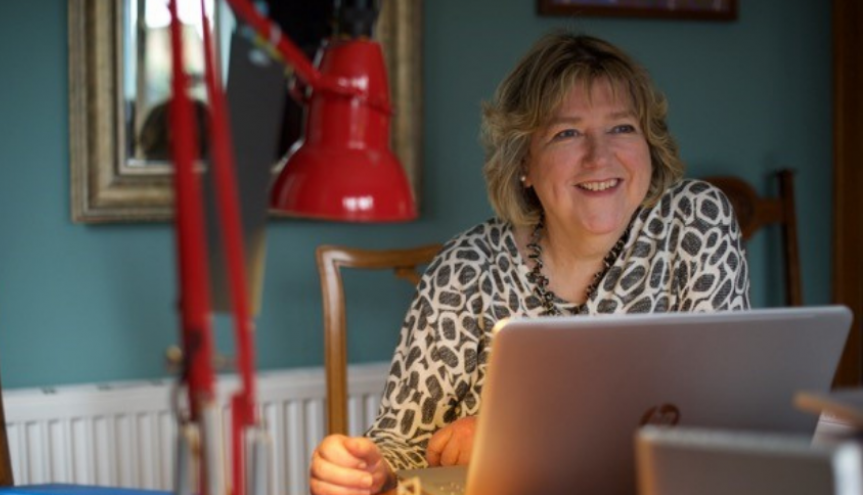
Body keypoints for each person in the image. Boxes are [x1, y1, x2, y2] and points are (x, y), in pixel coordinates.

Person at [309, 30, 750, 495]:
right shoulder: (465, 268)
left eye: (622, 127)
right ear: (523, 161)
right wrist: (365, 468)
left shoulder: (695, 220)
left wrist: (508, 436)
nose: (600, 157)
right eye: (567, 133)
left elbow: (718, 412)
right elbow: (402, 442)